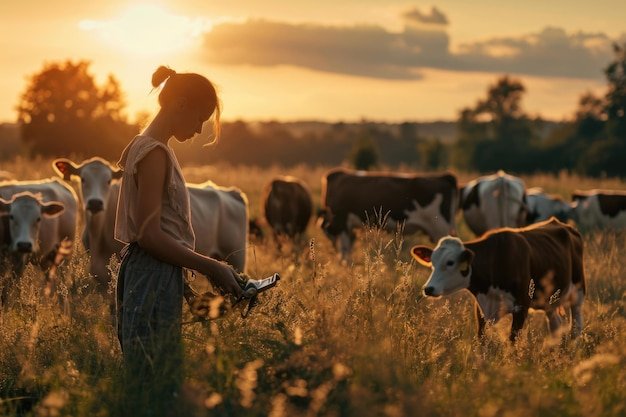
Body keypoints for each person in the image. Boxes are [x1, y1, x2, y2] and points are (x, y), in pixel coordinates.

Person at [114, 66, 268, 415]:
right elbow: (149, 235)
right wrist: (213, 266)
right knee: (155, 379)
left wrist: (188, 286)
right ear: (181, 104)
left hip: (152, 272)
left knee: (150, 375)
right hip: (151, 274)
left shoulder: (143, 146)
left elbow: (153, 236)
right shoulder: (154, 153)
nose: (199, 130)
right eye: (200, 119)